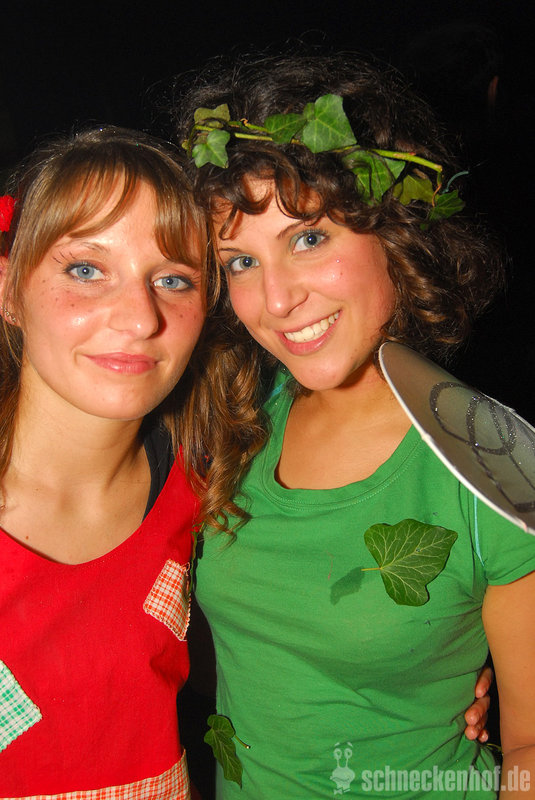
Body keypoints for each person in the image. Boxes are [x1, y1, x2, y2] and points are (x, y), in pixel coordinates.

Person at [174, 53, 535, 799]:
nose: (277, 300)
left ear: (395, 234)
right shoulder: (240, 419)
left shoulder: (493, 464)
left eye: (308, 239)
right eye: (239, 262)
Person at [0, 126, 256, 798]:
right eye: (86, 269)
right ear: (8, 292)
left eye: (172, 279)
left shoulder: (207, 481)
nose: (140, 318)